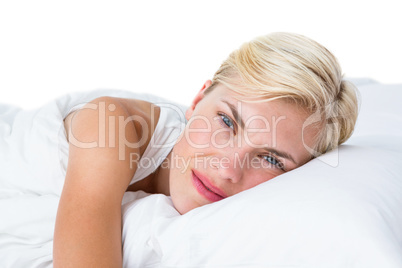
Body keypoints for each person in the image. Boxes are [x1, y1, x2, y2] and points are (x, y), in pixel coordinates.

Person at [53, 32, 359, 267]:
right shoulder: (111, 125)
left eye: (269, 159)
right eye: (227, 121)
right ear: (198, 100)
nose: (228, 168)